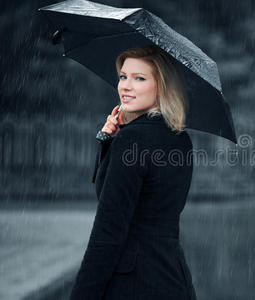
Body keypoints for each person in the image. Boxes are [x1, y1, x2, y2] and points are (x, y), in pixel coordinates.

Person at [69, 45, 197, 300]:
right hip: (172, 278)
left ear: (162, 86)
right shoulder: (180, 139)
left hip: (133, 284)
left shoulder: (132, 140)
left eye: (139, 78)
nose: (126, 86)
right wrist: (109, 141)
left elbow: (108, 231)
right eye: (123, 76)